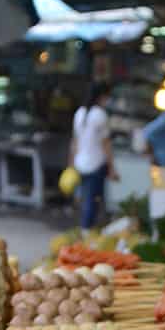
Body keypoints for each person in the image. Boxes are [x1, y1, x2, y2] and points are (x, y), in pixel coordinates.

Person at [70, 83, 118, 231]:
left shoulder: (79, 113)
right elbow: (106, 144)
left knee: (84, 199)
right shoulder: (100, 115)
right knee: (93, 200)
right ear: (102, 96)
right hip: (96, 164)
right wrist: (111, 167)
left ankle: (84, 229)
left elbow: (75, 141)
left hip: (80, 163)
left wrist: (71, 162)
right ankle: (87, 231)